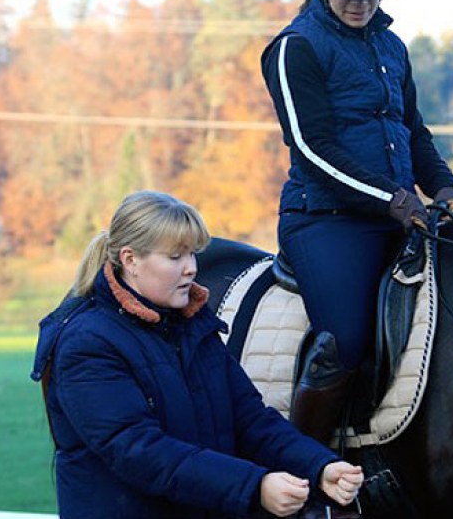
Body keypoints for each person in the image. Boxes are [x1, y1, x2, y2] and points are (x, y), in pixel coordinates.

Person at [31, 191, 364, 519]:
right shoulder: (86, 343)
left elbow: (251, 420)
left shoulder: (193, 326)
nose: (191, 268)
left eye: (192, 254)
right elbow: (140, 452)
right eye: (175, 257)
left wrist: (319, 466)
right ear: (131, 260)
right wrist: (255, 486)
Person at [260, 0, 453, 447]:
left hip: (398, 215)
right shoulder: (295, 48)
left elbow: (413, 132)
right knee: (346, 339)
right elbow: (314, 149)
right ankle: (305, 470)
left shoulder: (391, 46)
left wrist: (444, 186)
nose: (361, 5)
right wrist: (393, 199)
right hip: (325, 220)